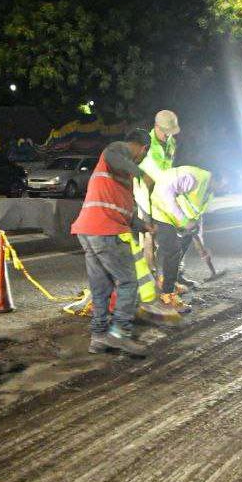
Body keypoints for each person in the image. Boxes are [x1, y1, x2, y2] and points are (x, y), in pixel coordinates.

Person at [71, 128, 155, 356]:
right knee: (128, 282)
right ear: (142, 148)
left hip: (88, 231)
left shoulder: (121, 177)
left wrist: (144, 226)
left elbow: (124, 212)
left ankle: (98, 337)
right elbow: (112, 154)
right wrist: (141, 173)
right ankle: (119, 334)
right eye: (143, 156)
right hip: (104, 231)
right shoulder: (119, 150)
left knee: (101, 288)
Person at [149, 165, 218, 312]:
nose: (224, 187)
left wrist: (202, 248)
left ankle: (173, 279)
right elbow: (165, 190)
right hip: (162, 211)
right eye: (225, 183)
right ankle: (167, 295)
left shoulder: (209, 192)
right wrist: (185, 221)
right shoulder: (193, 178)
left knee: (184, 242)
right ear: (216, 178)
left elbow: (196, 218)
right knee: (173, 250)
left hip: (180, 219)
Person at [134, 110, 180, 270]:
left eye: (171, 132)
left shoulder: (171, 143)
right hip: (145, 192)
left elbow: (169, 169)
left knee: (169, 234)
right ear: (156, 126)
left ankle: (170, 274)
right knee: (149, 233)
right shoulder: (148, 145)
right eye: (166, 132)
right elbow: (155, 176)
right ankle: (150, 272)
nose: (168, 136)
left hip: (163, 192)